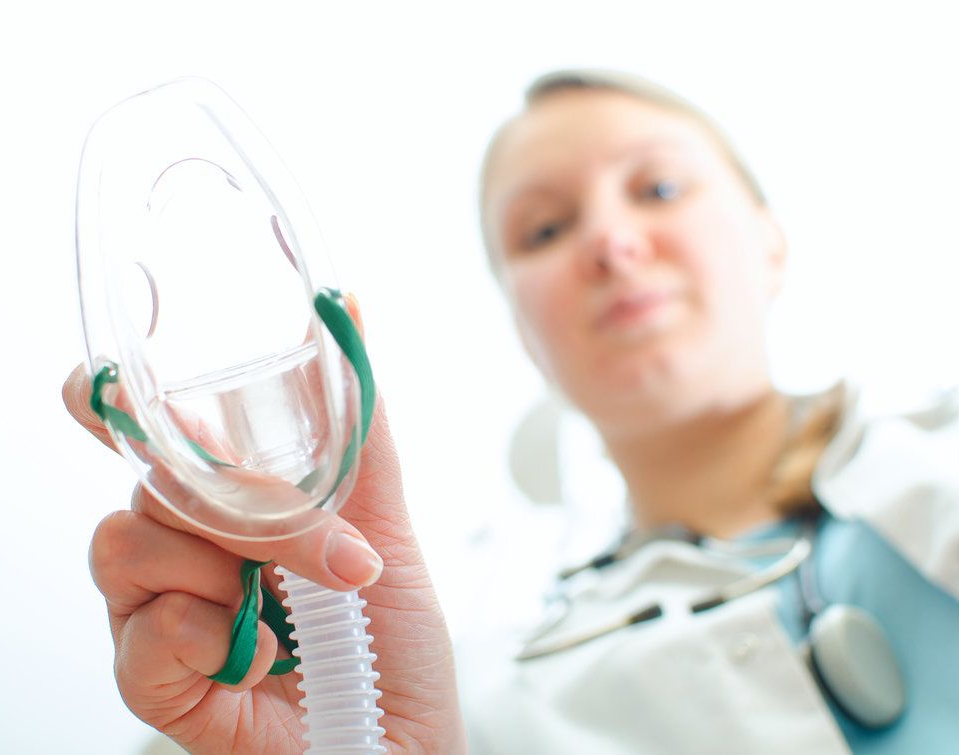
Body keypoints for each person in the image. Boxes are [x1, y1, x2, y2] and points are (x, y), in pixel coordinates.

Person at [64, 69, 959, 753]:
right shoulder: (481, 701)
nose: (611, 242)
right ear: (523, 327)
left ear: (771, 241)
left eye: (657, 189)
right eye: (543, 230)